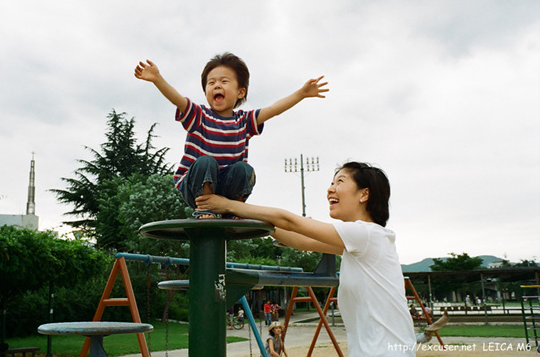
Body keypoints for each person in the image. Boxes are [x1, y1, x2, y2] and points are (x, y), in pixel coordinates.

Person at [196, 161, 418, 355]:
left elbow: (290, 221)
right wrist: (239, 215)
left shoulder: (367, 235)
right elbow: (299, 240)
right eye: (332, 183)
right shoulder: (359, 242)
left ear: (364, 194)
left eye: (340, 182)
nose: (330, 189)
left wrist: (228, 204)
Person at [134, 53, 328, 218]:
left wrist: (301, 93)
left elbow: (273, 110)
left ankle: (236, 208)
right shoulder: (199, 116)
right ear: (205, 91)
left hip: (226, 186)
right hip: (195, 186)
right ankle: (206, 207)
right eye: (211, 83)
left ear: (240, 92)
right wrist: (158, 79)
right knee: (206, 162)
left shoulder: (244, 121)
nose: (217, 85)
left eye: (224, 81)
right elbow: (178, 100)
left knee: (244, 169)